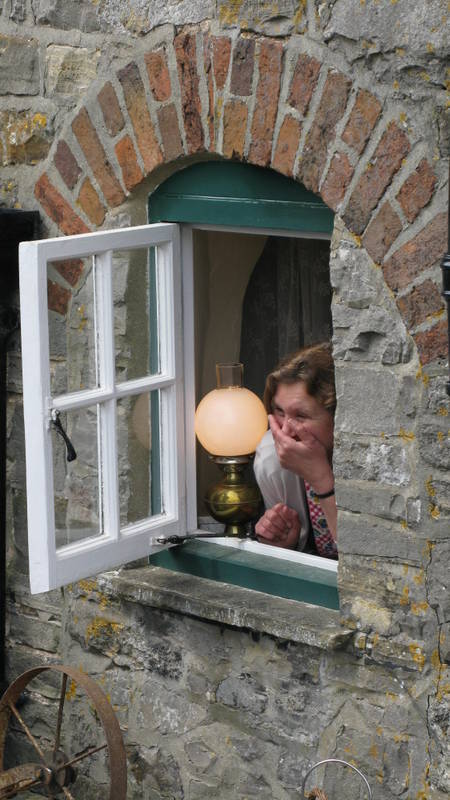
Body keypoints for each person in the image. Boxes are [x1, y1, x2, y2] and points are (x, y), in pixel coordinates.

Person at [253, 342, 337, 559]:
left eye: (301, 416)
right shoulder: (272, 459)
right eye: (280, 412)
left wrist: (321, 479)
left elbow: (366, 555)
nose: (286, 431)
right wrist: (284, 543)